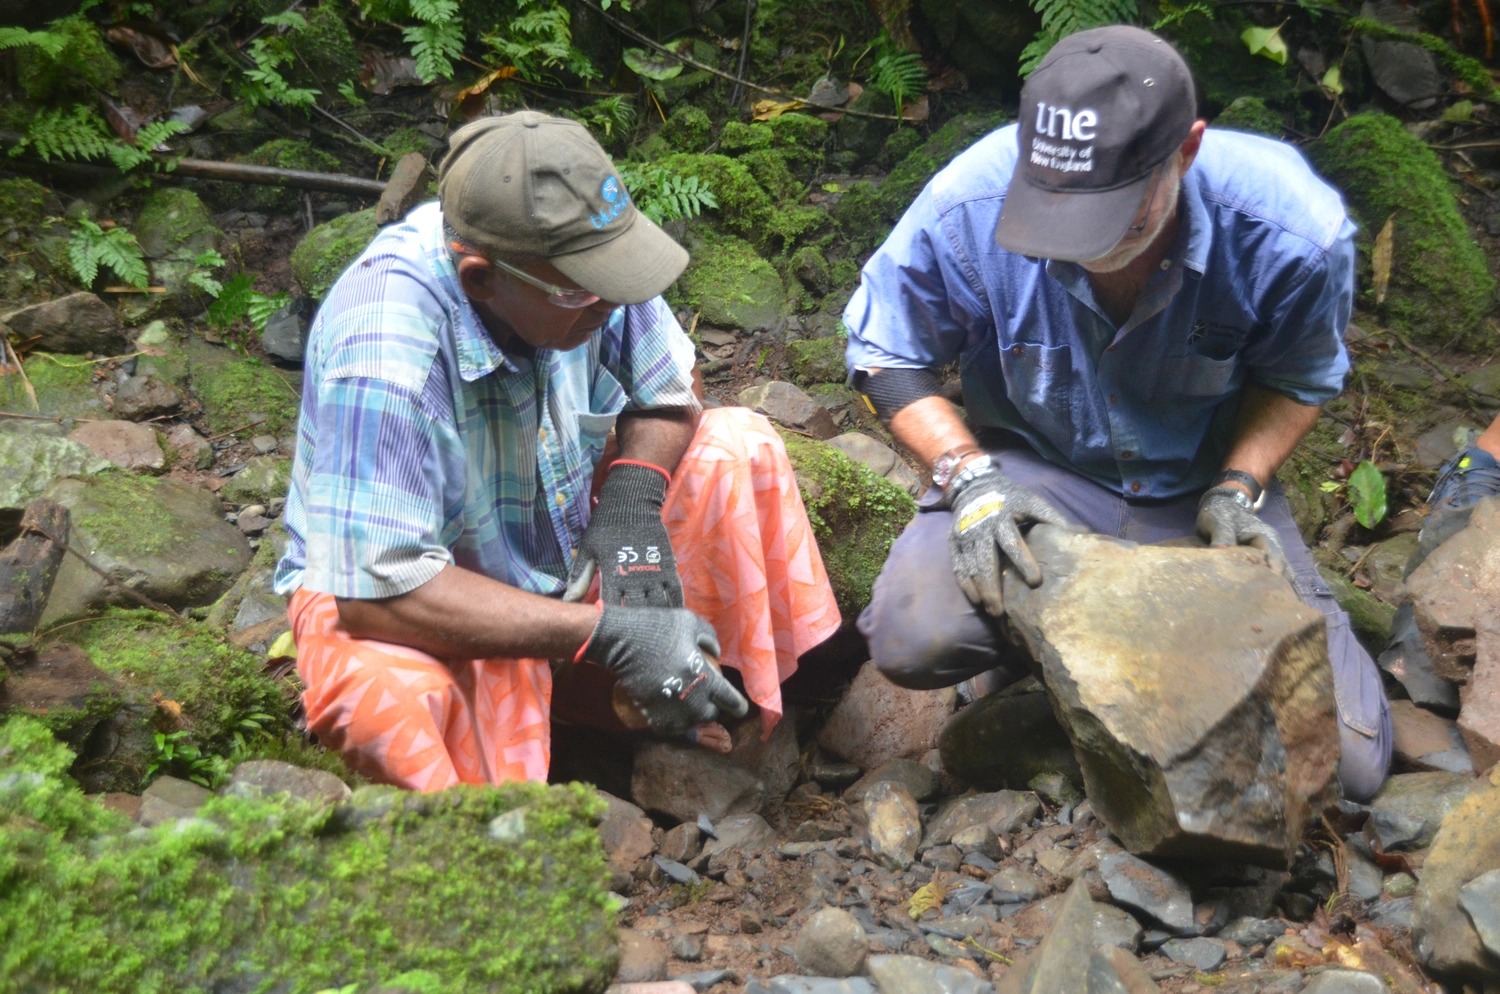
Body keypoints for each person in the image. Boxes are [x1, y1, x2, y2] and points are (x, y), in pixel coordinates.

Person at [845, 25, 1392, 800]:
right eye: (1058, 218)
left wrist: (1239, 487)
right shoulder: (972, 196)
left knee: (1349, 771)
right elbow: (881, 351)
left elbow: (1298, 378)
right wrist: (969, 481)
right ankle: (1051, 673)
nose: (1083, 246)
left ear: (1188, 149)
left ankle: (1109, 668)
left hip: (1199, 492)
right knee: (915, 636)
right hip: (1035, 476)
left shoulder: (1290, 231)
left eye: (1120, 216)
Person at [274, 111, 841, 791]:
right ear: (483, 279)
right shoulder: (385, 349)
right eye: (585, 290)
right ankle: (551, 749)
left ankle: (632, 694)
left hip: (563, 540)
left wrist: (633, 500)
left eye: (618, 275)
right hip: (440, 590)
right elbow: (372, 594)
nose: (613, 302)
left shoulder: (577, 266)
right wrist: (607, 632)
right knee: (380, 693)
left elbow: (670, 384)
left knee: (737, 445)